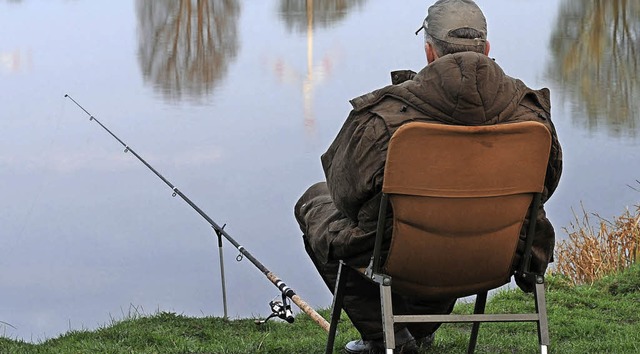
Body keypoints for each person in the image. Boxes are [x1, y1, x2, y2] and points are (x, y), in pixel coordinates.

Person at [294, 0, 563, 352]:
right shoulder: (533, 117)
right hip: (500, 254)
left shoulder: (383, 119)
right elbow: (547, 186)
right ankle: (415, 331)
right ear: (487, 49)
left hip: (405, 256)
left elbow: (344, 193)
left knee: (316, 201)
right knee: (455, 220)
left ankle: (385, 335)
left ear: (429, 52)